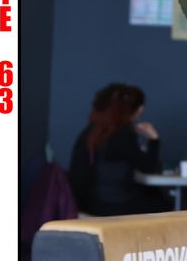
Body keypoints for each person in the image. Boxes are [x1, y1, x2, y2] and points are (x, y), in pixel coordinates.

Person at [68, 83, 171, 216]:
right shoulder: (121, 135)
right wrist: (154, 139)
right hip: (110, 205)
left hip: (87, 203)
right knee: (164, 206)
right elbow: (148, 167)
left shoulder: (91, 132)